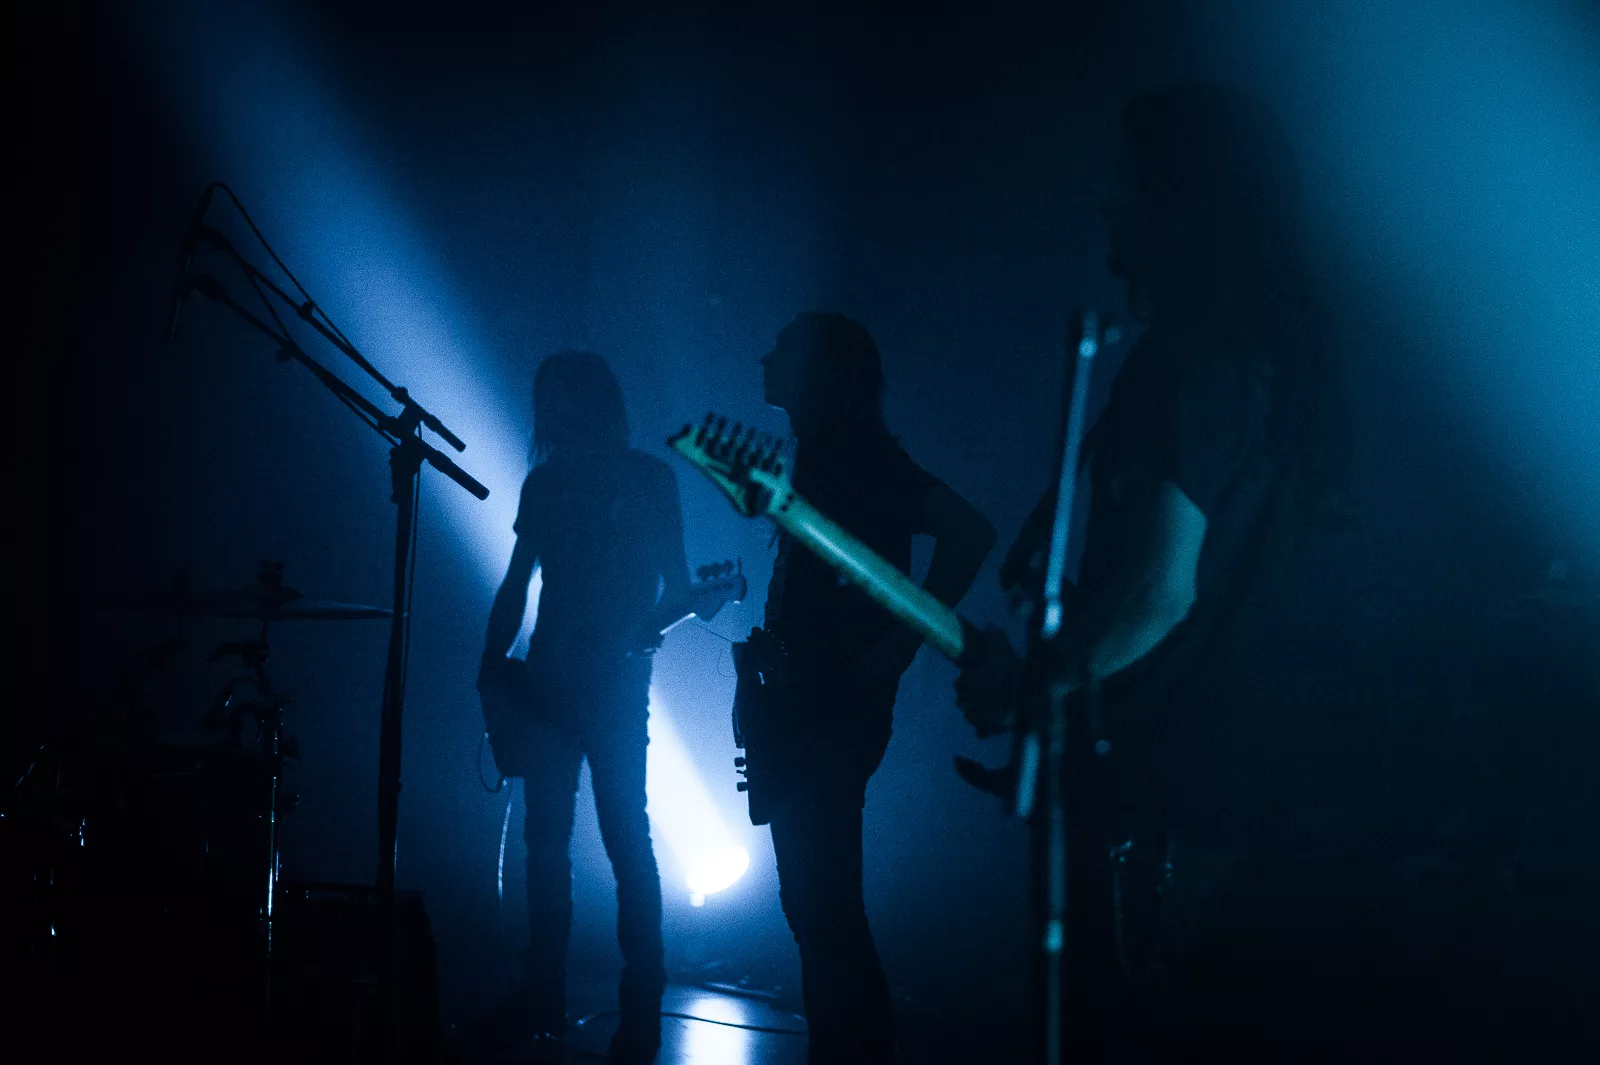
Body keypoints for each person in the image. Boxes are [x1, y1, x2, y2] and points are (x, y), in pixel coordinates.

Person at [956, 84, 1357, 1059]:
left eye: (1126, 182)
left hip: (1153, 808)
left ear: (1184, 201)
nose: (1106, 202)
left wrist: (1035, 687)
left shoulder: (1198, 361)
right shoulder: (1277, 360)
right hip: (1228, 802)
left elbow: (1156, 591)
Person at [756, 312, 996, 1065]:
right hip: (808, 703)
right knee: (814, 907)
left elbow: (970, 532)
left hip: (831, 709)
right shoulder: (821, 455)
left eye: (785, 348)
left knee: (824, 908)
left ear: (822, 371)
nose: (766, 357)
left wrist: (899, 643)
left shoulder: (859, 455)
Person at [480, 351, 691, 1064]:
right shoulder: (552, 482)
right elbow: (517, 584)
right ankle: (566, 996)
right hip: (560, 681)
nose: (551, 412)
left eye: (559, 398)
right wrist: (491, 666)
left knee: (615, 836)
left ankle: (627, 1004)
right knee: (568, 841)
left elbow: (677, 591)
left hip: (606, 684)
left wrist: (638, 633)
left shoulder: (643, 479)